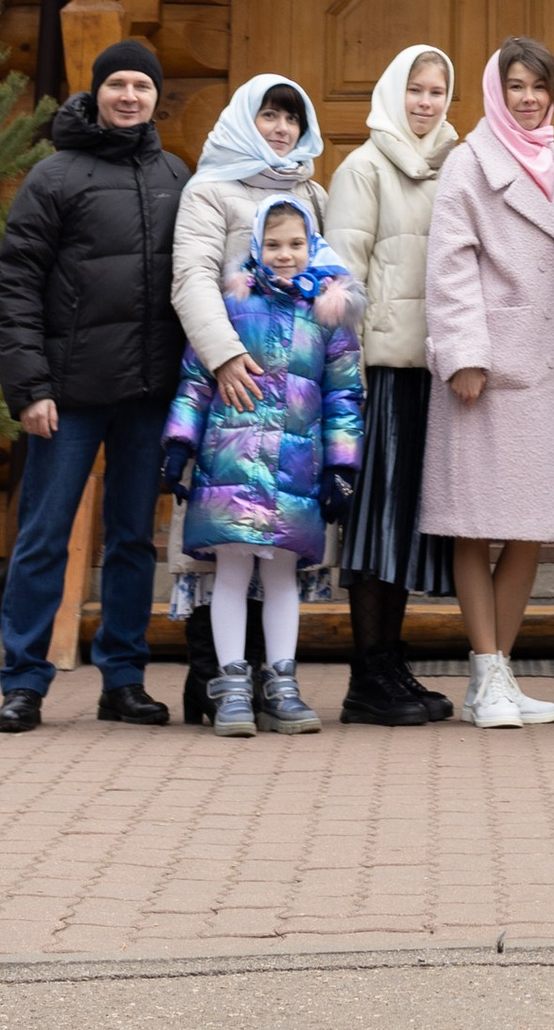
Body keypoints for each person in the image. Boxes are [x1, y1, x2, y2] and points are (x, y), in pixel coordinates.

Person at [0, 37, 190, 735]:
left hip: (147, 394)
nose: (129, 96)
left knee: (132, 540)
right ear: (96, 91)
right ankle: (24, 681)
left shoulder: (175, 175)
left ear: (156, 97)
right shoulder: (54, 176)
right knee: (45, 536)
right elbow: (15, 285)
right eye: (117, 84)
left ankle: (124, 680)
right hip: (67, 396)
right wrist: (29, 388)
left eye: (142, 85)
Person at [168, 71, 353, 719]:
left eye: (291, 117)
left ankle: (276, 685)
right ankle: (218, 684)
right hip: (233, 395)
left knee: (276, 560)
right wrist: (223, 355)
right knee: (223, 554)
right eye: (269, 115)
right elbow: (192, 277)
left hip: (295, 407)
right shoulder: (210, 187)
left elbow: (329, 287)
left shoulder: (311, 192)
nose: (280, 127)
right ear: (246, 119)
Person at [421, 37, 554, 727]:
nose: (528, 98)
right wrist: (463, 353)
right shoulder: (470, 161)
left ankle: (501, 673)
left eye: (539, 86)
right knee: (476, 524)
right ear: (497, 90)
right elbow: (450, 262)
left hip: (544, 367)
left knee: (529, 526)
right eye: (516, 85)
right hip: (487, 369)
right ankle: (485, 670)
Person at [323, 42, 459, 726]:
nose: (425, 102)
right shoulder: (363, 167)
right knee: (372, 523)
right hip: (377, 372)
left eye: (436, 91)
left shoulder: (457, 165)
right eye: (415, 89)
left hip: (431, 370)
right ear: (391, 91)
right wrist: (347, 373)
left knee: (404, 524)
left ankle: (389, 663)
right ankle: (366, 674)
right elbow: (341, 279)